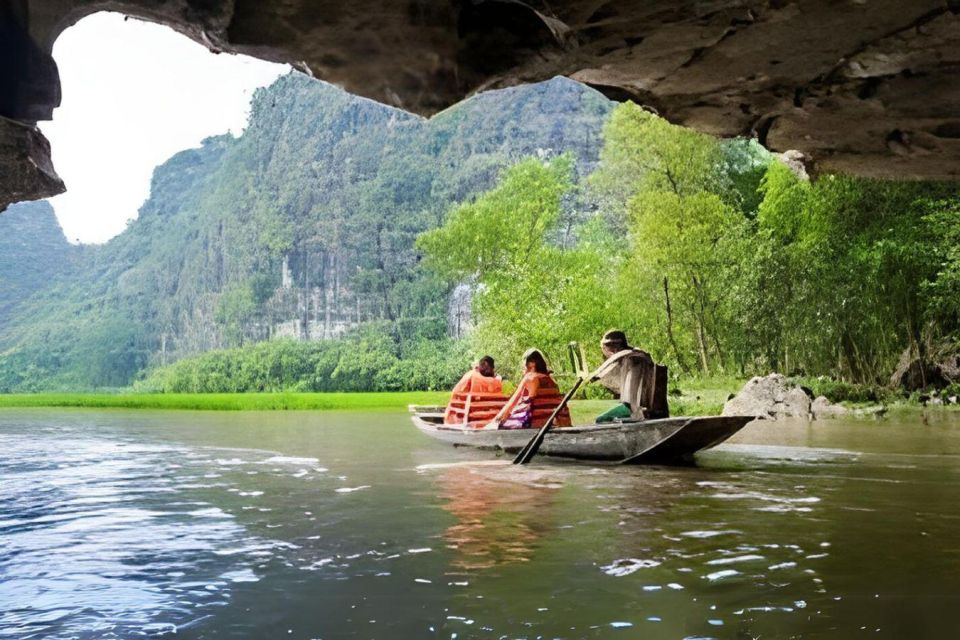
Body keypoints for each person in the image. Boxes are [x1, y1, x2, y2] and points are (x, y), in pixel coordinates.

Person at [594, 330, 669, 422]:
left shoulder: (632, 359)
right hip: (641, 405)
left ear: (614, 347)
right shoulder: (637, 356)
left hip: (636, 407)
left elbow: (632, 393)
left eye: (606, 348)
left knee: (601, 420)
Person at [487, 349, 571, 430]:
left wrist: (494, 422)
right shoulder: (552, 382)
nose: (522, 367)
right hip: (551, 424)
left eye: (524, 363)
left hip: (532, 426)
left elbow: (510, 405)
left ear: (532, 364)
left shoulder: (530, 378)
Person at [444, 356, 505, 425]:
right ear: (491, 368)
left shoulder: (470, 375)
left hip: (457, 417)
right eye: (492, 368)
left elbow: (456, 392)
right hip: (480, 420)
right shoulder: (492, 382)